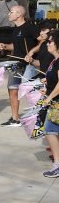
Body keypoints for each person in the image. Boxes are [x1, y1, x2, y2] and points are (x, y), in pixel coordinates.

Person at [0, 5, 38, 127]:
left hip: (30, 64)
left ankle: (37, 119)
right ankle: (15, 119)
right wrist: (5, 46)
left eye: (11, 12)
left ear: (19, 14)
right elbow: (14, 46)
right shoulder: (15, 30)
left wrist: (31, 52)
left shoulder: (30, 27)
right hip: (16, 63)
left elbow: (42, 41)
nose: (9, 14)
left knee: (28, 91)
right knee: (12, 89)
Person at [40, 30, 59, 177]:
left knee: (50, 129)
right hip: (54, 100)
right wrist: (47, 83)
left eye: (50, 42)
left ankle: (57, 165)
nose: (48, 44)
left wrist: (48, 98)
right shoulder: (54, 60)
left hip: (56, 102)